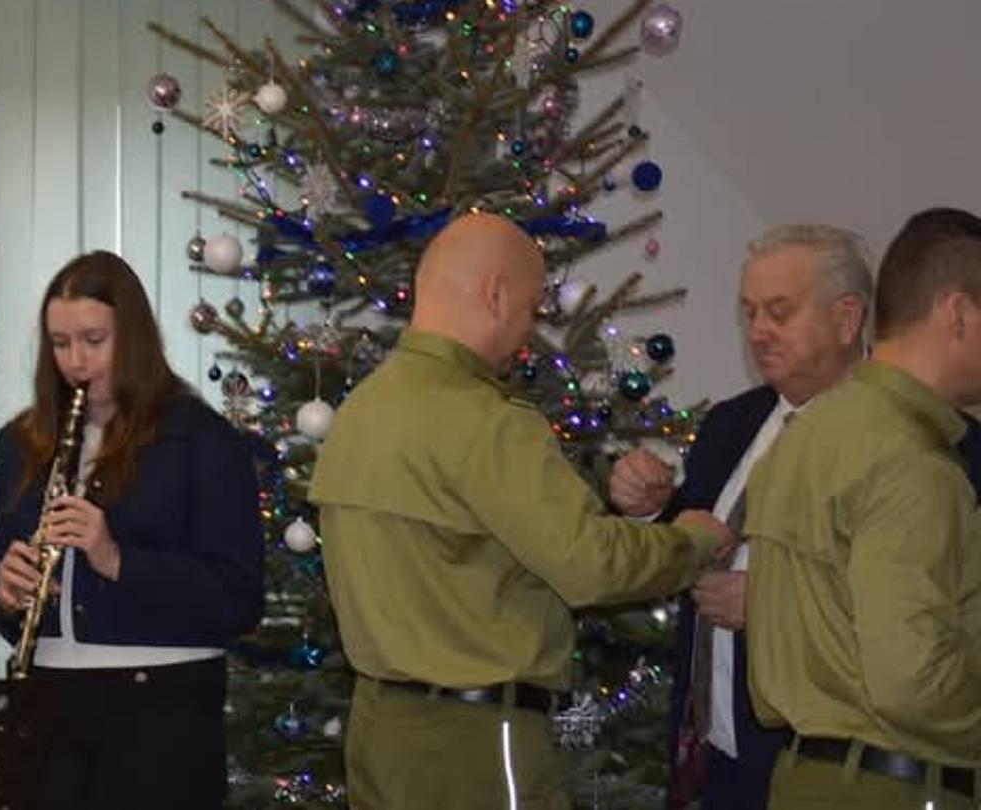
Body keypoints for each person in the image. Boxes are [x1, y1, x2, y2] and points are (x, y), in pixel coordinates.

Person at [308, 213, 731, 810]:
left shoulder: (362, 411)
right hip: (477, 742)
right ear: (495, 294)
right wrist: (693, 540)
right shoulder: (486, 421)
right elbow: (590, 565)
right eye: (532, 309)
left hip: (380, 730)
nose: (530, 332)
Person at [610, 225, 981, 810]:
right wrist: (660, 509)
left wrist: (772, 603)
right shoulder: (734, 425)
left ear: (848, 318)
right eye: (750, 312)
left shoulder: (949, 450)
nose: (759, 330)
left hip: (840, 754)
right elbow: (711, 540)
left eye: (779, 311)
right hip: (732, 755)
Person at [0, 250, 264, 809]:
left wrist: (117, 560)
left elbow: (239, 598)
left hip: (161, 713)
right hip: (50, 704)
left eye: (93, 340)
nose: (75, 361)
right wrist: (3, 587)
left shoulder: (201, 439)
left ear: (135, 338)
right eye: (60, 344)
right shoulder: (23, 441)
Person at [744, 208, 981, 809]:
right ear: (958, 313)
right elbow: (911, 682)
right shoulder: (912, 462)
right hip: (898, 785)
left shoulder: (805, 433)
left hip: (804, 778)